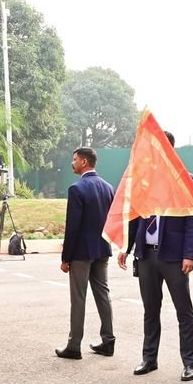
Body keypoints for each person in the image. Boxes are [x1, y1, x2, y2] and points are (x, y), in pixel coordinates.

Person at [117, 132, 193, 382]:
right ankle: (149, 359)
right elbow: (134, 218)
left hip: (174, 258)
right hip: (147, 257)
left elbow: (190, 221)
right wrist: (126, 247)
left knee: (183, 311)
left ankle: (189, 363)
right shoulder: (143, 181)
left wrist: (189, 254)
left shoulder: (185, 180)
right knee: (150, 310)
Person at [56, 147, 115, 360]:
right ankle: (108, 341)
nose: (72, 163)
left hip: (81, 252)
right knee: (103, 294)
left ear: (83, 162)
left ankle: (74, 346)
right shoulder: (108, 187)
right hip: (102, 249)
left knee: (78, 298)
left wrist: (66, 258)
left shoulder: (77, 188)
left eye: (74, 160)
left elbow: (73, 227)